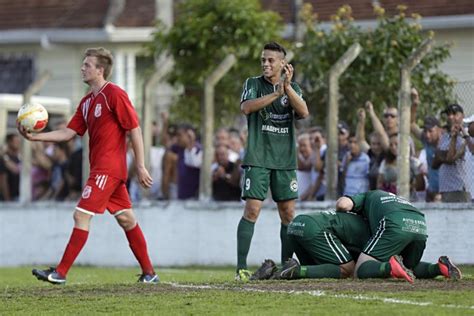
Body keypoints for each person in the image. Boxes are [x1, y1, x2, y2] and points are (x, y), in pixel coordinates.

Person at [18, 47, 159, 284]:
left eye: (87, 65)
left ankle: (60, 272)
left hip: (108, 169)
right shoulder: (86, 102)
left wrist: (141, 165)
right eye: (83, 64)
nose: (82, 68)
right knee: (127, 220)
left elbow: (134, 129)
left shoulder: (114, 94)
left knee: (80, 215)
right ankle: (150, 273)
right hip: (102, 170)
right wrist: (35, 138)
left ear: (100, 70)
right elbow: (68, 133)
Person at [236, 41, 309, 281]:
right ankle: (241, 268)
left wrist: (286, 88)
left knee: (288, 214)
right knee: (252, 210)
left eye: (270, 60)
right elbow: (246, 108)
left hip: (285, 160)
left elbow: (304, 112)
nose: (265, 64)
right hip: (258, 157)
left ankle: (285, 267)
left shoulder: (293, 87)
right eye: (263, 60)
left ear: (282, 64)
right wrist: (275, 94)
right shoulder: (253, 84)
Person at [335, 190, 462, 283]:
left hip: (395, 221)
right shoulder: (394, 198)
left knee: (360, 270)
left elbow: (343, 204)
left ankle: (390, 268)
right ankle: (439, 268)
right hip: (420, 225)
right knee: (407, 267)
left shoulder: (367, 195)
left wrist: (341, 215)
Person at [250, 210, 370, 280]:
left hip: (297, 223)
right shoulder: (373, 231)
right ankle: (294, 271)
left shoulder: (357, 217)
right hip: (313, 229)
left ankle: (271, 269)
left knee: (313, 269)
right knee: (348, 270)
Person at [433, 104, 471, 202]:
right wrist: (443, 156)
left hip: (458, 188)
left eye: (454, 114)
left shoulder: (466, 136)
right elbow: (436, 159)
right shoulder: (445, 136)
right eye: (449, 114)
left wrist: (443, 156)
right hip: (446, 188)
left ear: (462, 116)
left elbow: (450, 158)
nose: (450, 117)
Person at [0, 133, 21, 201]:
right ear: (9, 142)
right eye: (16, 141)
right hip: (9, 197)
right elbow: (3, 180)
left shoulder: (19, 157)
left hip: (19, 195)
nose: (18, 143)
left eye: (19, 141)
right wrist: (7, 199)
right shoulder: (3, 159)